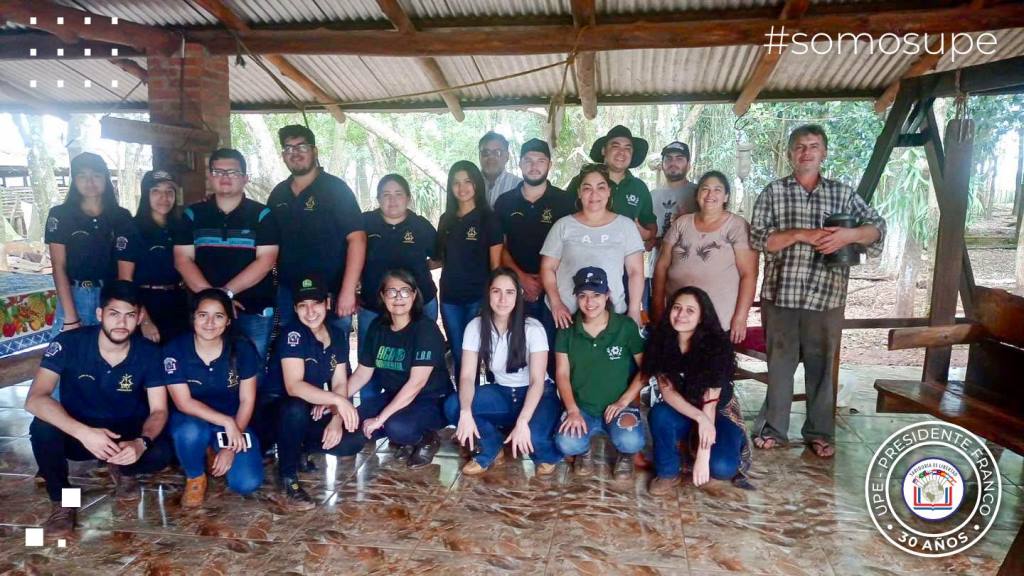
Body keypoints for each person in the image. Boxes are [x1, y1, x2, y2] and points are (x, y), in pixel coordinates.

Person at [750, 124, 886, 459]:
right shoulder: (773, 193)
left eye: (813, 146)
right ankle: (773, 429)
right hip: (781, 295)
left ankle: (820, 432)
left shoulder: (842, 193)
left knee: (823, 367)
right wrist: (801, 234)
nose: (806, 152)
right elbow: (759, 240)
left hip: (827, 296)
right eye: (799, 146)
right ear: (789, 154)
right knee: (779, 366)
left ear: (824, 153)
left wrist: (848, 237)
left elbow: (877, 228)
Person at [25, 281, 173, 536]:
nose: (121, 323)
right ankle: (63, 503)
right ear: (100, 314)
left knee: (162, 451)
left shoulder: (149, 353)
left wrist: (140, 443)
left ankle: (124, 469)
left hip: (125, 433)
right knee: (42, 428)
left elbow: (159, 411)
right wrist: (83, 432)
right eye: (114, 314)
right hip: (81, 431)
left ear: (139, 318)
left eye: (129, 316)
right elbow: (35, 398)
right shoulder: (70, 343)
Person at [445, 269, 563, 476]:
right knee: (454, 406)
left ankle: (544, 438)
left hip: (538, 394)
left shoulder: (533, 328)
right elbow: (466, 376)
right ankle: (491, 446)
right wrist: (465, 412)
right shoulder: (476, 326)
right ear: (488, 294)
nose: (502, 299)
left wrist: (523, 421)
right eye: (496, 291)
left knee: (535, 441)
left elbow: (537, 381)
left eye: (509, 292)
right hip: (502, 393)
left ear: (518, 295)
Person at [336, 270, 452, 468]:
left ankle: (425, 438)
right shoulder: (377, 326)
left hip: (430, 400)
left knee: (397, 427)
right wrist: (334, 400)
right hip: (393, 396)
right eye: (391, 292)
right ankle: (402, 436)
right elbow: (363, 373)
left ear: (414, 295)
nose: (398, 297)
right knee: (348, 432)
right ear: (382, 296)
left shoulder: (425, 329)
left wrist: (379, 418)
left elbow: (416, 384)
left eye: (405, 291)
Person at [174, 148, 280, 364]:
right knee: (206, 367)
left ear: (245, 178)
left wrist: (225, 295)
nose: (225, 177)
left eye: (232, 172)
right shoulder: (193, 215)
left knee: (253, 367)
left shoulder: (262, 215)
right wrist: (215, 302)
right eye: (218, 172)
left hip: (254, 309)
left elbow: (267, 260)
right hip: (205, 312)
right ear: (210, 177)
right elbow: (182, 260)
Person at [644, 287, 752, 494]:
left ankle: (700, 449)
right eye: (677, 308)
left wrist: (703, 457)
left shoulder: (716, 347)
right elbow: (667, 392)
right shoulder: (662, 341)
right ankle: (668, 472)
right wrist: (699, 419)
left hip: (717, 412)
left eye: (690, 310)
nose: (681, 315)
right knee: (659, 414)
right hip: (683, 409)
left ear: (702, 317)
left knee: (722, 468)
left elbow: (709, 405)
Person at [162, 289, 264, 506]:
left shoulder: (242, 349)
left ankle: (213, 448)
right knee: (190, 431)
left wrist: (230, 446)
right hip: (191, 419)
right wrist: (226, 422)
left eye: (218, 316)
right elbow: (183, 402)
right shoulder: (175, 350)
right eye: (203, 315)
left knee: (246, 483)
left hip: (234, 422)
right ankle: (195, 476)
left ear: (228, 321)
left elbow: (247, 400)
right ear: (193, 317)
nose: (210, 323)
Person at [268, 275, 359, 508]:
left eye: (315, 304)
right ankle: (288, 478)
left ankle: (299, 450)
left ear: (327, 303)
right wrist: (337, 401)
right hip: (277, 414)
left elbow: (340, 382)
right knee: (295, 407)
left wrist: (337, 419)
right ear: (295, 309)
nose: (310, 312)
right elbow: (294, 386)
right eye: (302, 306)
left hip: (311, 408)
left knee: (351, 440)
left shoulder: (337, 335)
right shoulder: (292, 335)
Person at [268, 125, 365, 337]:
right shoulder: (278, 194)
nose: (295, 153)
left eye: (301, 146)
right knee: (290, 352)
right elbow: (267, 241)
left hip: (331, 291)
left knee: (334, 353)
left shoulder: (336, 189)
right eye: (289, 148)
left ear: (315, 151)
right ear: (283, 156)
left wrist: (348, 291)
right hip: (289, 293)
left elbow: (357, 239)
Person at [553, 267, 646, 479]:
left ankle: (625, 455)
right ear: (576, 297)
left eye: (596, 295)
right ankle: (583, 451)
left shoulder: (625, 326)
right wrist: (573, 410)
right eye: (583, 296)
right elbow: (562, 375)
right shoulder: (567, 330)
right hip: (582, 407)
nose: (590, 302)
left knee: (631, 441)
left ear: (607, 295)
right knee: (566, 442)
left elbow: (646, 368)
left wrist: (623, 401)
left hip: (617, 407)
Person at [494, 138, 575, 363]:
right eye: (528, 160)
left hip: (556, 290)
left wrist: (546, 281)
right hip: (515, 289)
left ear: (549, 164)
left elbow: (571, 246)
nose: (534, 165)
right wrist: (522, 279)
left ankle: (549, 395)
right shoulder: (505, 202)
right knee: (516, 347)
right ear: (519, 164)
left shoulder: (565, 201)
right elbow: (499, 246)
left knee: (552, 349)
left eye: (540, 160)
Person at [651, 170, 758, 340]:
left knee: (711, 365)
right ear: (697, 194)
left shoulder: (737, 226)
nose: (710, 195)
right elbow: (661, 267)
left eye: (717, 190)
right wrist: (657, 307)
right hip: (678, 318)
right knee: (673, 364)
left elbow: (749, 275)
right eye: (705, 189)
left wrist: (740, 317)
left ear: (726, 197)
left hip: (718, 320)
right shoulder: (681, 223)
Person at [540, 164, 645, 330]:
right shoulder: (563, 225)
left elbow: (635, 272)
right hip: (565, 314)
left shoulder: (626, 226)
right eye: (587, 188)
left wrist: (634, 310)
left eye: (601, 187)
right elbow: (547, 267)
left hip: (611, 314)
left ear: (609, 191)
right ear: (579, 193)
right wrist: (556, 303)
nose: (594, 194)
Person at [45, 152, 137, 336]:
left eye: (96, 175)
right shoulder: (61, 215)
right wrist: (71, 317)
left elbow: (125, 267)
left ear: (105, 179)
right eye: (82, 176)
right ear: (74, 180)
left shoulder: (121, 217)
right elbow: (58, 266)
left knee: (111, 352)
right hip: (74, 294)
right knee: (68, 354)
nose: (90, 182)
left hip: (110, 294)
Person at [359, 174, 440, 364]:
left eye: (398, 194)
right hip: (373, 304)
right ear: (378, 199)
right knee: (369, 355)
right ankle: (370, 394)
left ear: (408, 198)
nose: (392, 200)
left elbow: (440, 257)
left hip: (420, 303)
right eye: (386, 195)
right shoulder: (365, 223)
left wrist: (421, 268)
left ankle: (420, 393)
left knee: (419, 355)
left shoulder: (420, 226)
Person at [436, 161, 502, 379]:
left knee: (481, 351)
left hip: (477, 298)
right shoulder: (446, 220)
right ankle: (466, 404)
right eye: (456, 183)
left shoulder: (488, 219)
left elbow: (496, 265)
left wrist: (493, 300)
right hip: (449, 298)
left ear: (476, 184)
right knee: (458, 352)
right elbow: (438, 259)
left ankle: (484, 400)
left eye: (467, 181)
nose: (462, 188)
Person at [565, 125, 657, 247]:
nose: (622, 152)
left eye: (627, 148)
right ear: (604, 150)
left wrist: (647, 235)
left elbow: (650, 224)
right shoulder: (581, 182)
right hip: (585, 256)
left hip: (626, 261)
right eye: (615, 146)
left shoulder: (639, 187)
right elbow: (564, 220)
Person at [131, 170, 189, 344]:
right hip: (146, 302)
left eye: (169, 191)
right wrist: (145, 320)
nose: (164, 197)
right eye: (156, 191)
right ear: (145, 194)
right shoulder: (133, 228)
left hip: (178, 302)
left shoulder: (180, 227)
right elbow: (125, 279)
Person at [645, 142, 698, 310]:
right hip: (656, 271)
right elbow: (646, 238)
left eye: (679, 159)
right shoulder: (651, 196)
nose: (673, 163)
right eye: (668, 158)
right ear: (662, 164)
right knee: (657, 326)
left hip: (690, 273)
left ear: (689, 165)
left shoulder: (700, 194)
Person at [478, 131, 523, 208]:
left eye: (497, 152)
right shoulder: (469, 184)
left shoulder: (519, 186)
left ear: (507, 156)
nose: (491, 157)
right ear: (479, 155)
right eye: (486, 152)